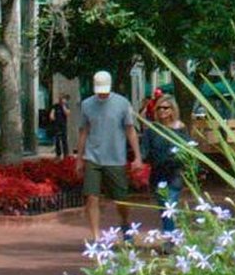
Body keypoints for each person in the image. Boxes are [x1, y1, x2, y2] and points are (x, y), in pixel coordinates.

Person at [75, 69, 140, 234]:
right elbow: (84, 131)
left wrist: (137, 157)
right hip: (93, 156)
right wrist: (79, 158)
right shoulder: (87, 104)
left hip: (115, 157)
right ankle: (96, 236)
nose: (102, 94)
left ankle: (125, 222)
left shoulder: (122, 103)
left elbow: (130, 130)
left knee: (121, 200)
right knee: (91, 197)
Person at [138, 93, 188, 229]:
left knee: (169, 204)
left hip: (175, 173)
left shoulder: (180, 128)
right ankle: (172, 234)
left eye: (166, 108)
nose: (162, 111)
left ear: (173, 109)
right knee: (163, 206)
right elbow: (144, 151)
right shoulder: (152, 130)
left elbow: (188, 148)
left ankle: (170, 238)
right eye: (159, 108)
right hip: (158, 174)